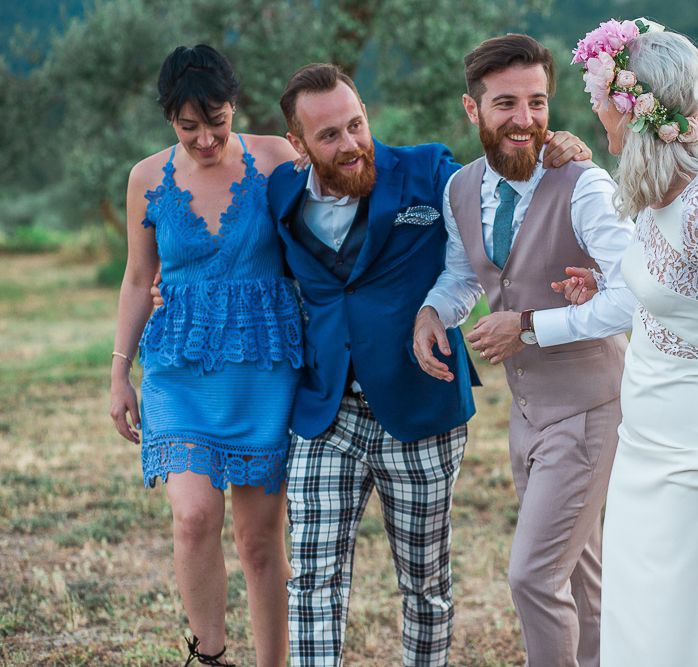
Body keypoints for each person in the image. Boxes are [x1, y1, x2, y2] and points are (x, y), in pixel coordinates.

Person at [265, 63, 590, 666]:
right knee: (311, 580)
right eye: (329, 135)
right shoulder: (280, 194)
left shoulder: (429, 171)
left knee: (425, 586)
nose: (350, 143)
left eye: (356, 124)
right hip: (325, 411)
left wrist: (560, 145)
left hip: (422, 408)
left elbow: (505, 174)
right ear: (298, 144)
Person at [413, 35, 637, 667]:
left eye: (537, 103)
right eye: (505, 103)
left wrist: (531, 325)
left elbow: (630, 298)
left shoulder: (585, 183)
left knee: (533, 578)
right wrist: (434, 312)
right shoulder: (460, 189)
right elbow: (464, 280)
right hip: (527, 415)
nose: (525, 120)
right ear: (472, 109)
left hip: (592, 409)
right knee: (583, 579)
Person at [109, 45, 303, 667]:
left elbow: (341, 211)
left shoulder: (276, 157)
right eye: (187, 127)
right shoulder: (147, 178)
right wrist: (119, 370)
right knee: (193, 517)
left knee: (259, 542)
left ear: (233, 106)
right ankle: (211, 657)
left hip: (263, 367)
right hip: (178, 366)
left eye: (214, 122)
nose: (204, 139)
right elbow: (139, 279)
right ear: (170, 119)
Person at [561, 20, 698, 666]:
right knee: (639, 622)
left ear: (633, 110)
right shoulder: (655, 200)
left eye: (601, 102)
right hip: (641, 442)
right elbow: (675, 293)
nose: (596, 115)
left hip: (696, 453)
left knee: (686, 625)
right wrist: (601, 281)